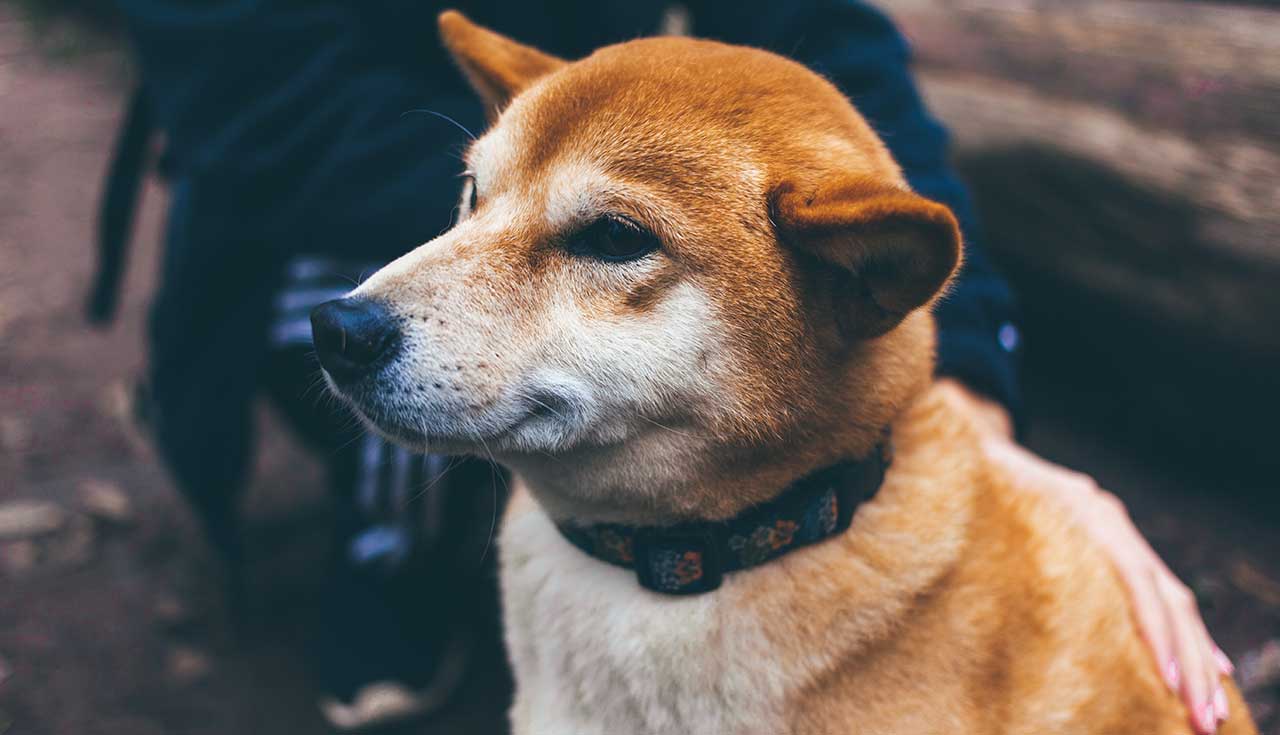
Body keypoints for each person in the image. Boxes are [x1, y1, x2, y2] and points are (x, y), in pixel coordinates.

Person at [93, 1, 1232, 731]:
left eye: (608, 242)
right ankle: (386, 547)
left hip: (622, 163)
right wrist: (549, 162)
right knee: (366, 321)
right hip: (301, 182)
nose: (393, 311)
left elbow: (830, 53)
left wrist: (975, 391)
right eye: (476, 190)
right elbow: (259, 104)